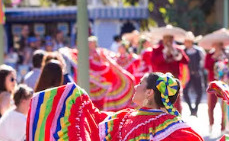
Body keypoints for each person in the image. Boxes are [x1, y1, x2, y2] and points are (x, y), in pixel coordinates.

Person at [27, 72, 203, 141]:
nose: (135, 86)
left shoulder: (130, 118)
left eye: (140, 83)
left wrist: (75, 99)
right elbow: (96, 121)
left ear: (149, 92)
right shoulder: (127, 116)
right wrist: (76, 97)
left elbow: (95, 124)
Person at [200, 31, 229, 132]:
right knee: (211, 105)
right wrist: (214, 57)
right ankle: (211, 124)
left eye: (220, 45)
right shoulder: (209, 55)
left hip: (224, 83)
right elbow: (206, 67)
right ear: (213, 45)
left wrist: (223, 58)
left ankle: (223, 127)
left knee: (224, 105)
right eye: (216, 45)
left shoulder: (227, 54)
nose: (218, 47)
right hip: (212, 83)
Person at [150, 25, 190, 114]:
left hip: (174, 81)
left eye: (170, 38)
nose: (168, 40)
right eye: (166, 38)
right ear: (163, 39)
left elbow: (186, 61)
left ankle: (177, 121)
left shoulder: (178, 49)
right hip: (160, 81)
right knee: (160, 102)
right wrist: (164, 54)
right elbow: (153, 62)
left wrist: (176, 52)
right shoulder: (156, 49)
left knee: (176, 103)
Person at [182, 31, 205, 116]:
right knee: (185, 92)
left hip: (197, 74)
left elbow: (203, 62)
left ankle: (195, 109)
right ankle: (191, 109)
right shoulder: (183, 51)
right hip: (186, 75)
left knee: (199, 92)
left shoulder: (199, 51)